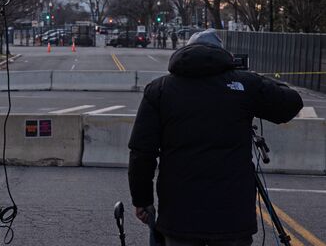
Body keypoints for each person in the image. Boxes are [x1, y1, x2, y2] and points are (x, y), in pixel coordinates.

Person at [128, 29, 303, 246]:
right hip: (233, 216)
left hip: (179, 214)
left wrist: (142, 200)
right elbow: (291, 103)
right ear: (224, 56)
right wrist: (254, 79)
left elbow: (141, 152)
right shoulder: (245, 85)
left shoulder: (160, 89)